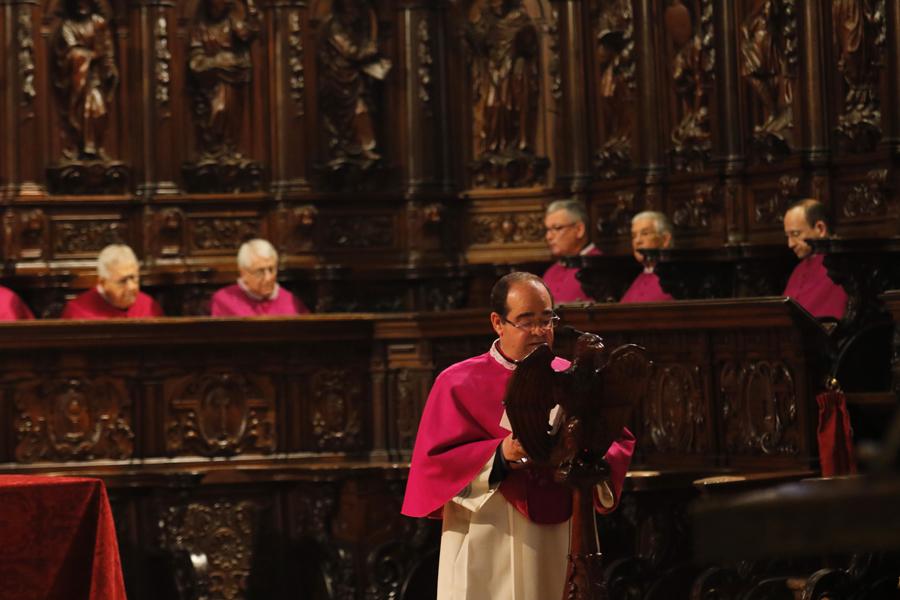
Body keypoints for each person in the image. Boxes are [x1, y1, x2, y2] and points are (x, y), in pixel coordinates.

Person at [402, 272, 635, 600]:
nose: (540, 331)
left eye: (547, 319)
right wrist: (499, 454)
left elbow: (616, 439)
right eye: (527, 322)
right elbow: (435, 464)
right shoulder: (457, 382)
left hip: (559, 532)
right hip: (488, 531)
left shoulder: (572, 377)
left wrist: (584, 448)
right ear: (498, 322)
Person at [51, 0, 118, 159]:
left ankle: (97, 146)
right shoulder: (68, 26)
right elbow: (70, 53)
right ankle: (80, 145)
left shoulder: (98, 23)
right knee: (82, 111)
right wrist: (89, 56)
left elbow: (107, 49)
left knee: (98, 111)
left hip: (96, 77)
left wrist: (109, 67)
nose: (81, 5)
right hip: (77, 79)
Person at [782, 199, 847, 319]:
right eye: (788, 236)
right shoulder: (799, 269)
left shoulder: (841, 268)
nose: (790, 244)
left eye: (796, 234)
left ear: (820, 229)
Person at [210, 239, 310, 316]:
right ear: (243, 273)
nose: (268, 278)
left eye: (271, 269)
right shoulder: (224, 301)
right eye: (260, 272)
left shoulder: (291, 302)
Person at [62, 244, 164, 319]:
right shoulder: (78, 313)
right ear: (102, 282)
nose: (131, 287)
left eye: (134, 278)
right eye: (122, 281)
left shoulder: (149, 306)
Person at [541, 199, 600, 303]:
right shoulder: (551, 272)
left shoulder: (599, 267)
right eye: (548, 230)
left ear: (579, 230)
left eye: (557, 228)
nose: (548, 236)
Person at [620, 211, 675, 303]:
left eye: (645, 233)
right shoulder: (637, 278)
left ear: (665, 239)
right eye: (634, 236)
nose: (637, 241)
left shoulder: (674, 281)